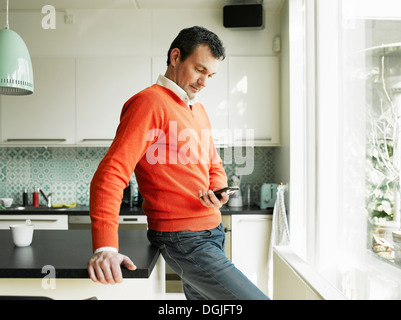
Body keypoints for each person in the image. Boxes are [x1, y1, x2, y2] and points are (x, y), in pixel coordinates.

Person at [87, 26, 269, 300]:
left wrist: (217, 192)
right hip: (184, 239)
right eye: (199, 69)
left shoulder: (197, 110)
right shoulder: (148, 103)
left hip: (213, 232)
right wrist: (106, 248)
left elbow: (214, 165)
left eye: (210, 75)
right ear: (175, 57)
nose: (204, 82)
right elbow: (111, 173)